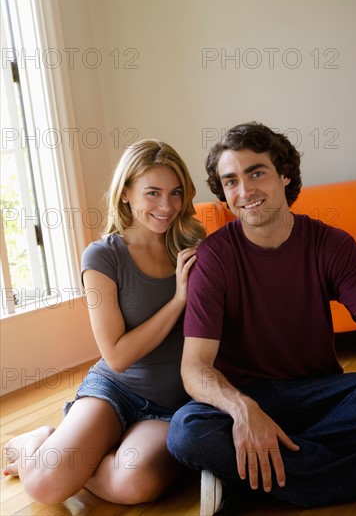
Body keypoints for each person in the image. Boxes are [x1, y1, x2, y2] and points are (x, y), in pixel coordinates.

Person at [167, 122, 356, 515]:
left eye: (256, 172)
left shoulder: (332, 244)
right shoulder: (214, 260)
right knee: (187, 432)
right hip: (246, 395)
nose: (244, 191)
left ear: (284, 174)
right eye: (231, 181)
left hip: (319, 392)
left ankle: (249, 477)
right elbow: (194, 368)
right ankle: (341, 473)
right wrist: (243, 411)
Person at [3, 139, 206, 505]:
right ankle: (36, 440)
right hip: (116, 390)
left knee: (132, 486)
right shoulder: (102, 257)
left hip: (172, 403)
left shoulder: (193, 244)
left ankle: (81, 456)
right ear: (126, 192)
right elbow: (116, 356)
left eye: (175, 193)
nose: (167, 206)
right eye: (153, 193)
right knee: (44, 487)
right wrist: (178, 300)